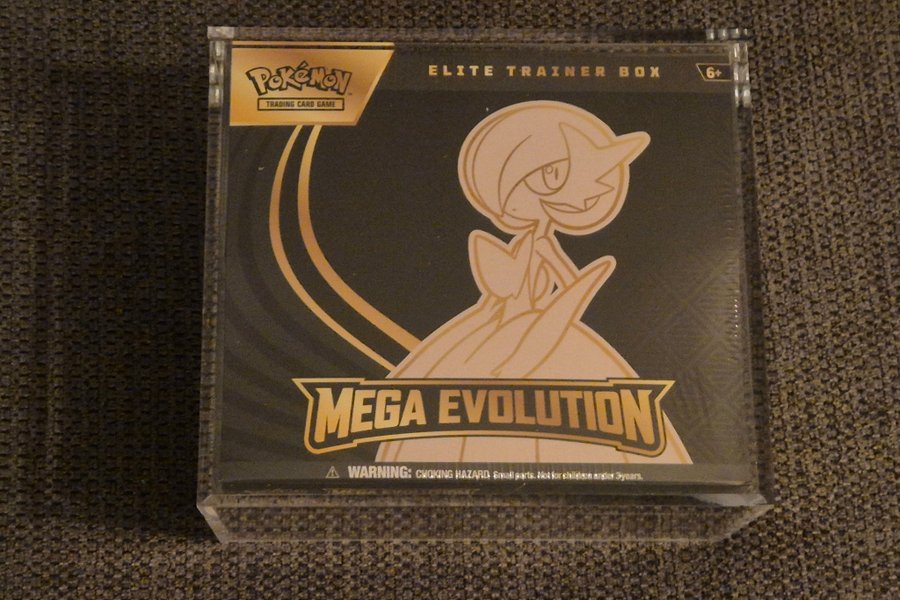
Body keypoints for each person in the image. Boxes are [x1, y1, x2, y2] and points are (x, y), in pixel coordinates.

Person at [376, 101, 691, 464]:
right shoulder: (528, 240)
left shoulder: (541, 242)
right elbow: (542, 282)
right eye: (552, 175)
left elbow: (568, 281)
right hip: (497, 328)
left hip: (533, 331)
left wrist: (567, 299)